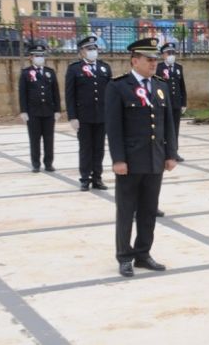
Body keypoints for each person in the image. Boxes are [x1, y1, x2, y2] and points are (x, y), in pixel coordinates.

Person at [105, 37, 177, 278]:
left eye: (155, 59)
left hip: (155, 159)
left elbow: (168, 123)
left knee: (148, 210)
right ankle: (124, 256)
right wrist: (118, 159)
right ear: (134, 61)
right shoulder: (118, 86)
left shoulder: (160, 85)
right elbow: (114, 127)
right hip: (131, 160)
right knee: (126, 210)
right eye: (149, 59)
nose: (154, 63)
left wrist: (171, 154)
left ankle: (143, 253)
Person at [66, 35, 112, 191]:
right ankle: (85, 178)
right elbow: (70, 95)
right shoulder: (74, 69)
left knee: (99, 149)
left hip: (101, 116)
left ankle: (97, 178)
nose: (93, 51)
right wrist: (72, 117)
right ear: (82, 51)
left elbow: (111, 93)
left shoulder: (105, 68)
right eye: (89, 49)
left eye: (94, 48)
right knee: (86, 149)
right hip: (83, 117)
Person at [18, 44, 61, 173]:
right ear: (31, 57)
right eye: (37, 55)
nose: (40, 58)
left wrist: (57, 110)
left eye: (42, 55)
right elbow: (22, 93)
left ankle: (48, 163)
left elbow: (55, 92)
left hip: (48, 111)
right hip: (33, 112)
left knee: (49, 139)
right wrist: (23, 111)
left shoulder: (50, 72)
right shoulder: (26, 73)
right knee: (34, 139)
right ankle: (35, 163)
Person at [156, 42, 187, 162]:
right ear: (163, 55)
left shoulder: (178, 67)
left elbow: (182, 86)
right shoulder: (159, 68)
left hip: (176, 104)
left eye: (173, 52)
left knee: (175, 129)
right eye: (169, 53)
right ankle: (163, 152)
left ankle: (174, 152)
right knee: (164, 129)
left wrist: (184, 102)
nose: (171, 55)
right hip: (164, 104)